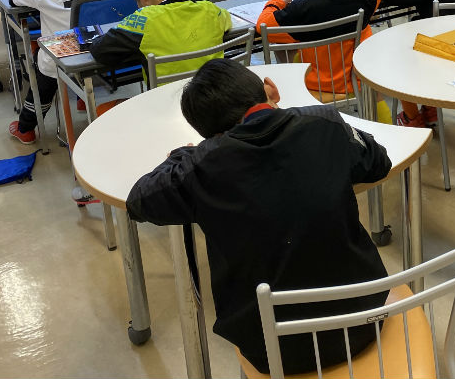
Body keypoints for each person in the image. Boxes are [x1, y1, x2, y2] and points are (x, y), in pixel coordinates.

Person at [125, 58, 391, 374]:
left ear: (210, 133)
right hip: (363, 320)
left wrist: (182, 155)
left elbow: (138, 200)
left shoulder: (201, 166)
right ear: (270, 89)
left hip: (270, 348)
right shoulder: (324, 123)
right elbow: (378, 161)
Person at [8, 0, 131, 144]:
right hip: (99, 50)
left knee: (42, 67)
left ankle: (26, 129)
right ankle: (84, 95)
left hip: (60, 57)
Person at [256, 0, 390, 121]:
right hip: (356, 80)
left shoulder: (301, 9)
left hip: (311, 84)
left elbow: (263, 25)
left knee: (284, 46)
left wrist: (275, 3)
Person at [90, 0, 232, 81]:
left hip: (166, 100)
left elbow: (100, 51)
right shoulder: (212, 10)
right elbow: (228, 23)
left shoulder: (143, 19)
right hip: (214, 93)